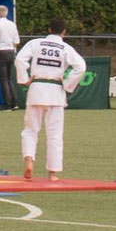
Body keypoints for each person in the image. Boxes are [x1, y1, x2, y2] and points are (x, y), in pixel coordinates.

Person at [17, 18, 88, 180]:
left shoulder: (36, 43)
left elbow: (20, 59)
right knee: (55, 134)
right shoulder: (65, 48)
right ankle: (52, 173)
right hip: (55, 91)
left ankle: (29, 161)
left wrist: (24, 79)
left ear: (49, 29)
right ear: (64, 32)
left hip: (36, 89)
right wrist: (68, 83)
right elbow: (81, 67)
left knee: (30, 130)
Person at [0, 5, 21, 111]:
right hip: (10, 51)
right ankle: (14, 102)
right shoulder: (12, 24)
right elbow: (17, 41)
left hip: (1, 52)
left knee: (3, 79)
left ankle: (7, 104)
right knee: (8, 78)